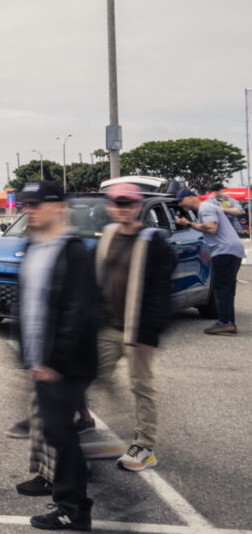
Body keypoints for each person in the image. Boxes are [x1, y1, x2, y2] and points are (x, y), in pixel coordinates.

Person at [14, 180, 100, 532]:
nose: (29, 210)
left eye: (36, 205)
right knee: (57, 432)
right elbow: (26, 304)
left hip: (63, 365)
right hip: (42, 363)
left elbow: (79, 314)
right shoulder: (35, 246)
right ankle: (72, 501)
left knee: (60, 435)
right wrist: (27, 355)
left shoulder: (74, 252)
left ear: (58, 207)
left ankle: (74, 508)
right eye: (27, 204)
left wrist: (54, 363)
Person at [87, 183, 174, 472]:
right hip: (108, 326)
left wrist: (151, 334)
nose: (123, 210)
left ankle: (145, 446)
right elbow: (97, 275)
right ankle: (92, 424)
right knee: (94, 374)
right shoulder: (109, 234)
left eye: (128, 204)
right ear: (111, 207)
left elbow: (162, 292)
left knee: (142, 386)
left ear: (138, 207)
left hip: (138, 330)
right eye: (117, 204)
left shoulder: (154, 242)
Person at [176, 188, 245, 334]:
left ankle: (225, 322)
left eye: (181, 201)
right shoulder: (208, 207)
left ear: (190, 197)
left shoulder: (205, 207)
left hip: (224, 250)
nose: (180, 204)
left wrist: (188, 224)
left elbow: (212, 228)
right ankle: (229, 322)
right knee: (227, 287)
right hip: (231, 249)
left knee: (222, 287)